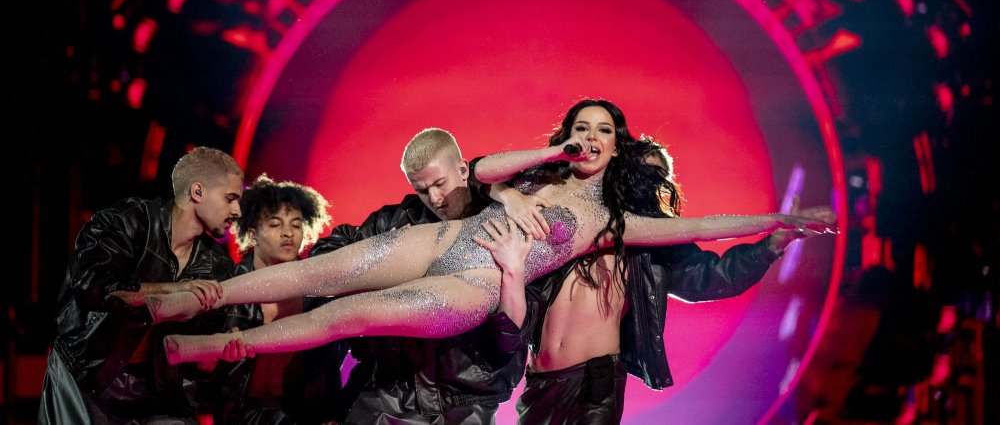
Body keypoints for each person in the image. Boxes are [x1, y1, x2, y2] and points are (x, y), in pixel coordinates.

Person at [148, 100, 835, 367]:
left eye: (602, 131)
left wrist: (777, 222)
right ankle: (194, 298)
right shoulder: (537, 174)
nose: (590, 137)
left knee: (345, 313)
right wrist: (549, 156)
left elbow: (707, 227)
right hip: (445, 241)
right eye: (582, 127)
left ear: (619, 147)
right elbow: (481, 168)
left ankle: (209, 346)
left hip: (474, 283)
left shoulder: (616, 222)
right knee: (316, 272)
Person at [472, 99, 835, 424]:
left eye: (657, 176)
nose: (649, 183)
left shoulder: (640, 232)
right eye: (644, 172)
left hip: (595, 382)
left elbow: (711, 270)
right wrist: (510, 197)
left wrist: (772, 240)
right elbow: (477, 175)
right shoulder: (556, 204)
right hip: (540, 378)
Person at [305, 127, 537, 424]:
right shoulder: (395, 220)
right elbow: (325, 256)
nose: (435, 198)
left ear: (463, 170)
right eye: (422, 190)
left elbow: (517, 326)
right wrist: (381, 263)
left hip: (468, 395)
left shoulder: (499, 222)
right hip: (392, 390)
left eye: (440, 184)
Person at [38, 146, 243, 425]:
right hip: (85, 379)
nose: (237, 210)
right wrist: (175, 289)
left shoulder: (219, 265)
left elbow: (199, 363)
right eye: (230, 199)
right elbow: (92, 287)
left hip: (155, 393)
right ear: (197, 192)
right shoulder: (126, 222)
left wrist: (220, 349)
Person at [210, 174, 331, 424]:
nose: (288, 233)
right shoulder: (225, 287)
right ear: (252, 234)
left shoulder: (317, 290)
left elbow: (329, 364)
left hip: (302, 413)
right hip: (239, 414)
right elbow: (197, 370)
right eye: (275, 224)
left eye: (296, 225)